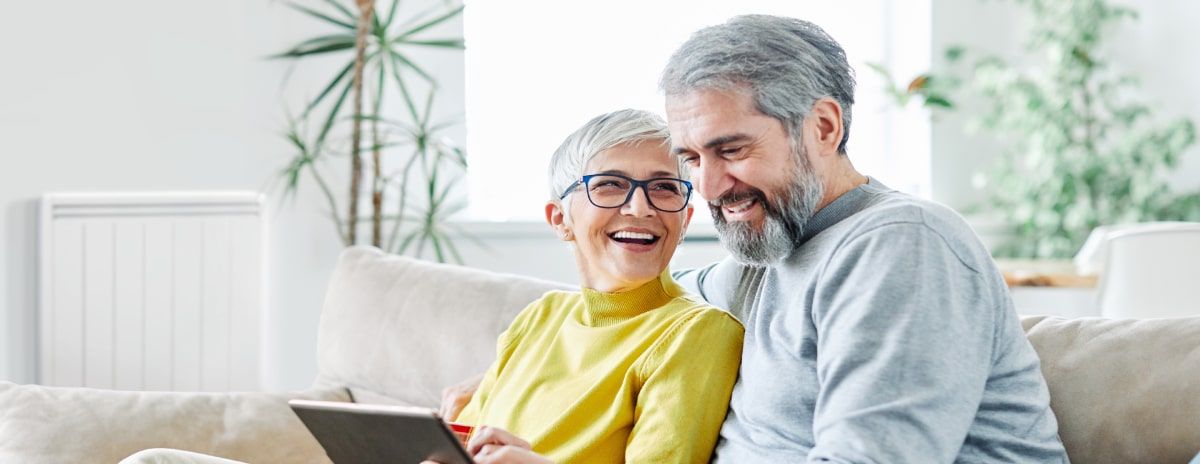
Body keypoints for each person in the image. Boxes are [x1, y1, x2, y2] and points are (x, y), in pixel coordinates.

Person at [446, 15, 1069, 463]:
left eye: (732, 149)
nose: (710, 186)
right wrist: (506, 376)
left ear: (822, 127)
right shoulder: (769, 248)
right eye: (691, 158)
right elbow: (638, 303)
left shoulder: (901, 246)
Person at [447, 109, 744, 464]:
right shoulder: (541, 315)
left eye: (664, 188)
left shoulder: (698, 332)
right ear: (560, 220)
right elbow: (459, 448)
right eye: (610, 184)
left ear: (684, 222)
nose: (639, 208)